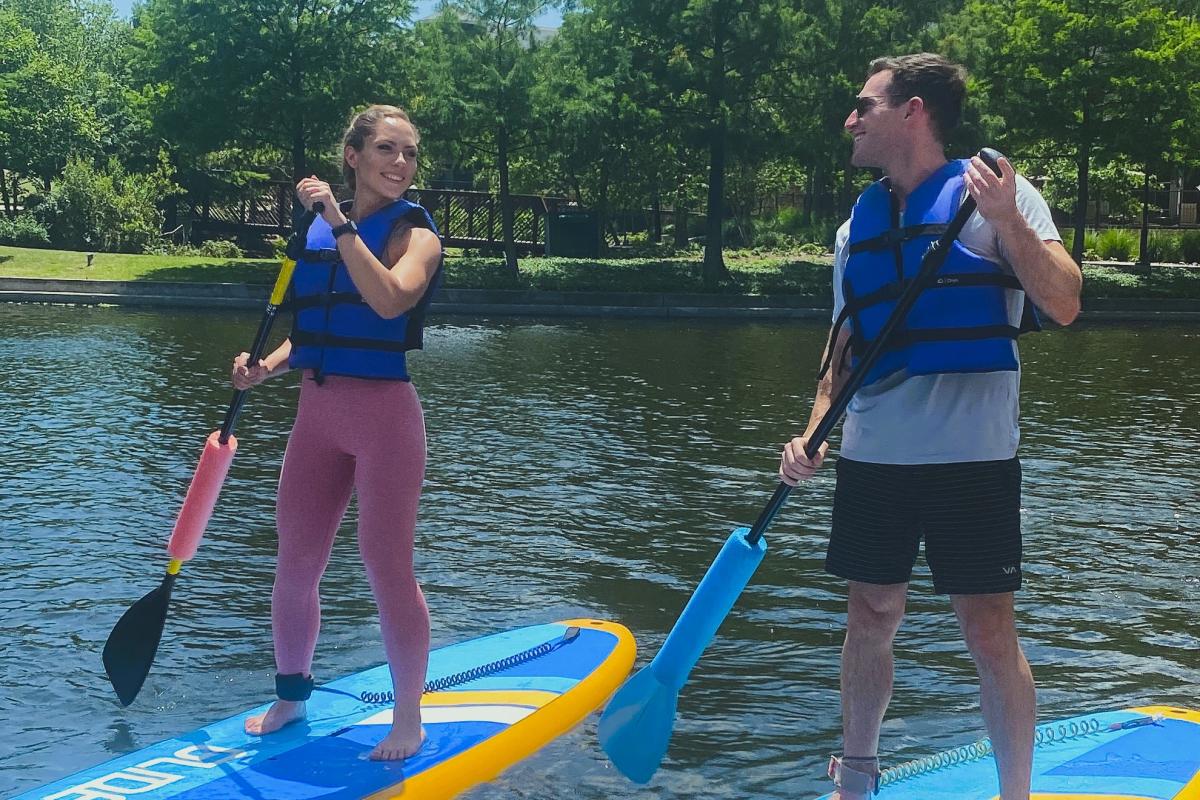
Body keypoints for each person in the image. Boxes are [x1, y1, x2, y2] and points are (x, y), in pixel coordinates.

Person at [778, 54, 1081, 799]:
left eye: (863, 106)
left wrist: (1008, 219)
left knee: (986, 630)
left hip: (973, 460)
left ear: (912, 112)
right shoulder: (858, 226)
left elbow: (1067, 301)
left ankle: (1017, 792)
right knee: (870, 612)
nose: (849, 120)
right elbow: (842, 348)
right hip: (875, 456)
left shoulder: (1000, 192)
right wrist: (812, 430)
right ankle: (857, 774)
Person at [231, 104, 443, 761]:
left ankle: (408, 718)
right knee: (294, 564)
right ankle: (293, 695)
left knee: (387, 569)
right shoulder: (318, 234)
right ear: (353, 156)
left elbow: (385, 301)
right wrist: (263, 367)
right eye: (386, 149)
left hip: (386, 419)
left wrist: (340, 223)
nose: (400, 163)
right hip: (317, 417)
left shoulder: (417, 235)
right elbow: (317, 323)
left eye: (408, 153)